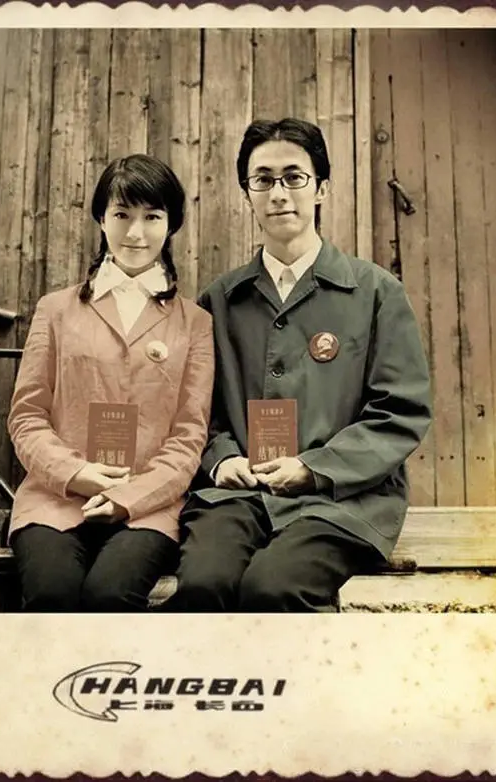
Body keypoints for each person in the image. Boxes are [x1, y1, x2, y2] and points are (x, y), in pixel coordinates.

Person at [166, 118, 432, 612]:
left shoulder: (376, 293)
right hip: (239, 495)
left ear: (321, 189)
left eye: (294, 177)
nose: (278, 193)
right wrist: (221, 459)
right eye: (262, 180)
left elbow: (400, 412)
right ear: (248, 194)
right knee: (204, 584)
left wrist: (314, 468)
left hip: (344, 500)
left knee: (274, 588)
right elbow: (196, 410)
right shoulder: (219, 301)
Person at [7, 154, 214, 612]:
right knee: (52, 594)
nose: (135, 233)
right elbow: (27, 415)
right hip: (56, 501)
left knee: (110, 595)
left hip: (148, 508)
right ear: (101, 218)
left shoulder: (195, 323)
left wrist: (129, 497)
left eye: (152, 217)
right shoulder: (55, 310)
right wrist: (74, 473)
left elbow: (189, 435)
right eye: (122, 214)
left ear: (171, 224)